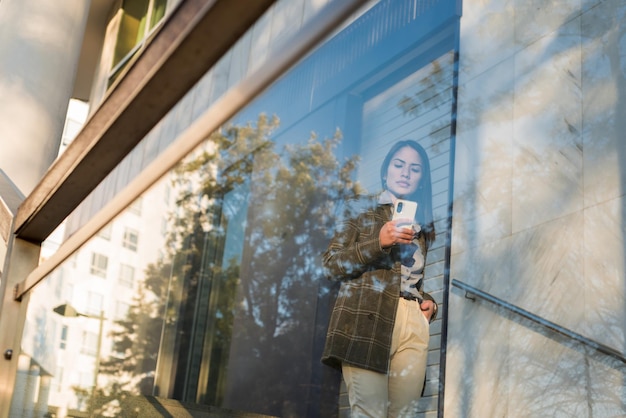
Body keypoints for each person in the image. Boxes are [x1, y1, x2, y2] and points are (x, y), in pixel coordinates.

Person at [321, 139, 438, 418]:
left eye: (415, 169)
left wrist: (429, 304)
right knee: (370, 413)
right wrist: (380, 241)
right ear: (386, 172)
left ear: (422, 180)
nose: (406, 173)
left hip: (412, 323)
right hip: (366, 321)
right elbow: (330, 265)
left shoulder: (420, 228)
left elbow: (409, 280)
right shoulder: (360, 210)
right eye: (398, 165)